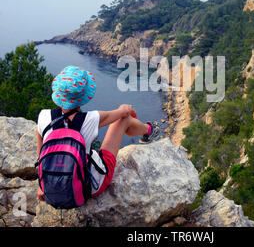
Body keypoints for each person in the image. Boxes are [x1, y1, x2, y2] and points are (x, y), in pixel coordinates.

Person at [35, 65, 160, 201]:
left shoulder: (43, 116)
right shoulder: (90, 119)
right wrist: (128, 108)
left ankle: (148, 131)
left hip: (51, 186)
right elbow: (123, 112)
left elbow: (40, 155)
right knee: (123, 120)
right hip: (88, 188)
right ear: (83, 96)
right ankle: (149, 131)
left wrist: (42, 185)